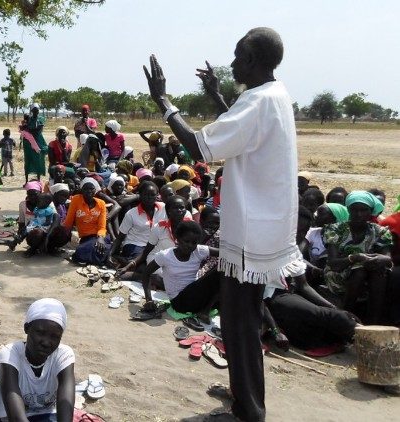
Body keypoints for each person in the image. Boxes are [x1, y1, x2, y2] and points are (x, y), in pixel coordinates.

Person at [144, 28, 301, 420]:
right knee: (239, 320)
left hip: (250, 237)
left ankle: (248, 410)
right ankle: (244, 397)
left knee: (239, 324)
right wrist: (216, 96)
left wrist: (163, 101)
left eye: (236, 56)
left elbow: (201, 147)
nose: (231, 64)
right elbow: (239, 128)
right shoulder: (273, 94)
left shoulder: (259, 100)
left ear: (251, 60)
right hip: (261, 231)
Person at [0, 298, 75, 421]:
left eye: (55, 336)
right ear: (27, 328)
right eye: (40, 332)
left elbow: (66, 412)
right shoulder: (10, 354)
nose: (46, 342)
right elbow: (16, 417)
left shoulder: (63, 355)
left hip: (50, 416)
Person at [323, 191, 393, 324]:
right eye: (354, 209)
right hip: (339, 272)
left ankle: (373, 322)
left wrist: (380, 259)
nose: (359, 214)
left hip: (370, 273)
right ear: (348, 209)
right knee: (359, 270)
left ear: (371, 211)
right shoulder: (335, 229)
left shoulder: (379, 231)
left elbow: (387, 257)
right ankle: (347, 318)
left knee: (379, 271)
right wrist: (355, 257)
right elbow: (333, 264)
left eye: (364, 210)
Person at [144, 221, 221, 326]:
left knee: (228, 267)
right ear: (178, 239)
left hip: (195, 297)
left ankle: (207, 309)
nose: (190, 245)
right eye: (186, 241)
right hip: (180, 302)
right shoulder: (165, 256)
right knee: (220, 270)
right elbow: (146, 273)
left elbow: (225, 255)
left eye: (194, 242)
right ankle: (205, 311)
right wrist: (149, 299)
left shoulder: (199, 250)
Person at [110, 181, 162, 265]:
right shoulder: (131, 213)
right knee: (146, 262)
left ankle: (127, 263)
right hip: (135, 244)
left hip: (154, 246)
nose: (149, 198)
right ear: (140, 195)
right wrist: (110, 254)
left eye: (152, 195)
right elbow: (120, 237)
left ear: (157, 195)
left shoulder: (163, 208)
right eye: (146, 195)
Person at [62, 178, 109, 265]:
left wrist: (100, 238)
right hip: (85, 237)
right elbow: (68, 221)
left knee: (98, 247)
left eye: (91, 188)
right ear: (81, 190)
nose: (89, 191)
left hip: (99, 236)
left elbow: (102, 227)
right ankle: (102, 260)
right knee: (81, 252)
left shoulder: (101, 203)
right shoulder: (76, 200)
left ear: (95, 190)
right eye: (86, 188)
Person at [21, 104, 48, 182]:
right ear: (32, 111)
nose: (36, 111)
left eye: (37, 110)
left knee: (38, 159)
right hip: (28, 142)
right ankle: (26, 181)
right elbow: (24, 128)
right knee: (28, 159)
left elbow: (38, 130)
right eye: (34, 110)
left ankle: (38, 180)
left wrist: (28, 129)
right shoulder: (28, 119)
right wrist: (28, 129)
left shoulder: (41, 119)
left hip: (38, 141)